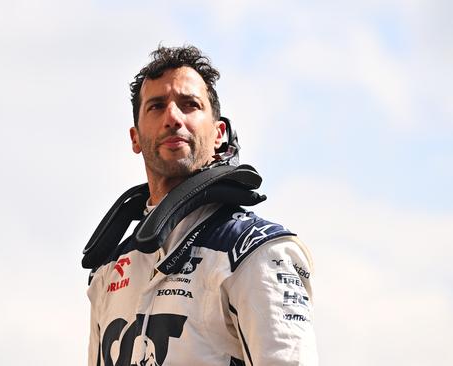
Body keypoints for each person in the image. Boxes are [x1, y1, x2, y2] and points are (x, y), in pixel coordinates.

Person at [83, 45, 317, 366]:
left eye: (190, 105)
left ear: (219, 133)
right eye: (156, 106)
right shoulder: (108, 270)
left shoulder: (257, 251)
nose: (173, 117)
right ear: (135, 138)